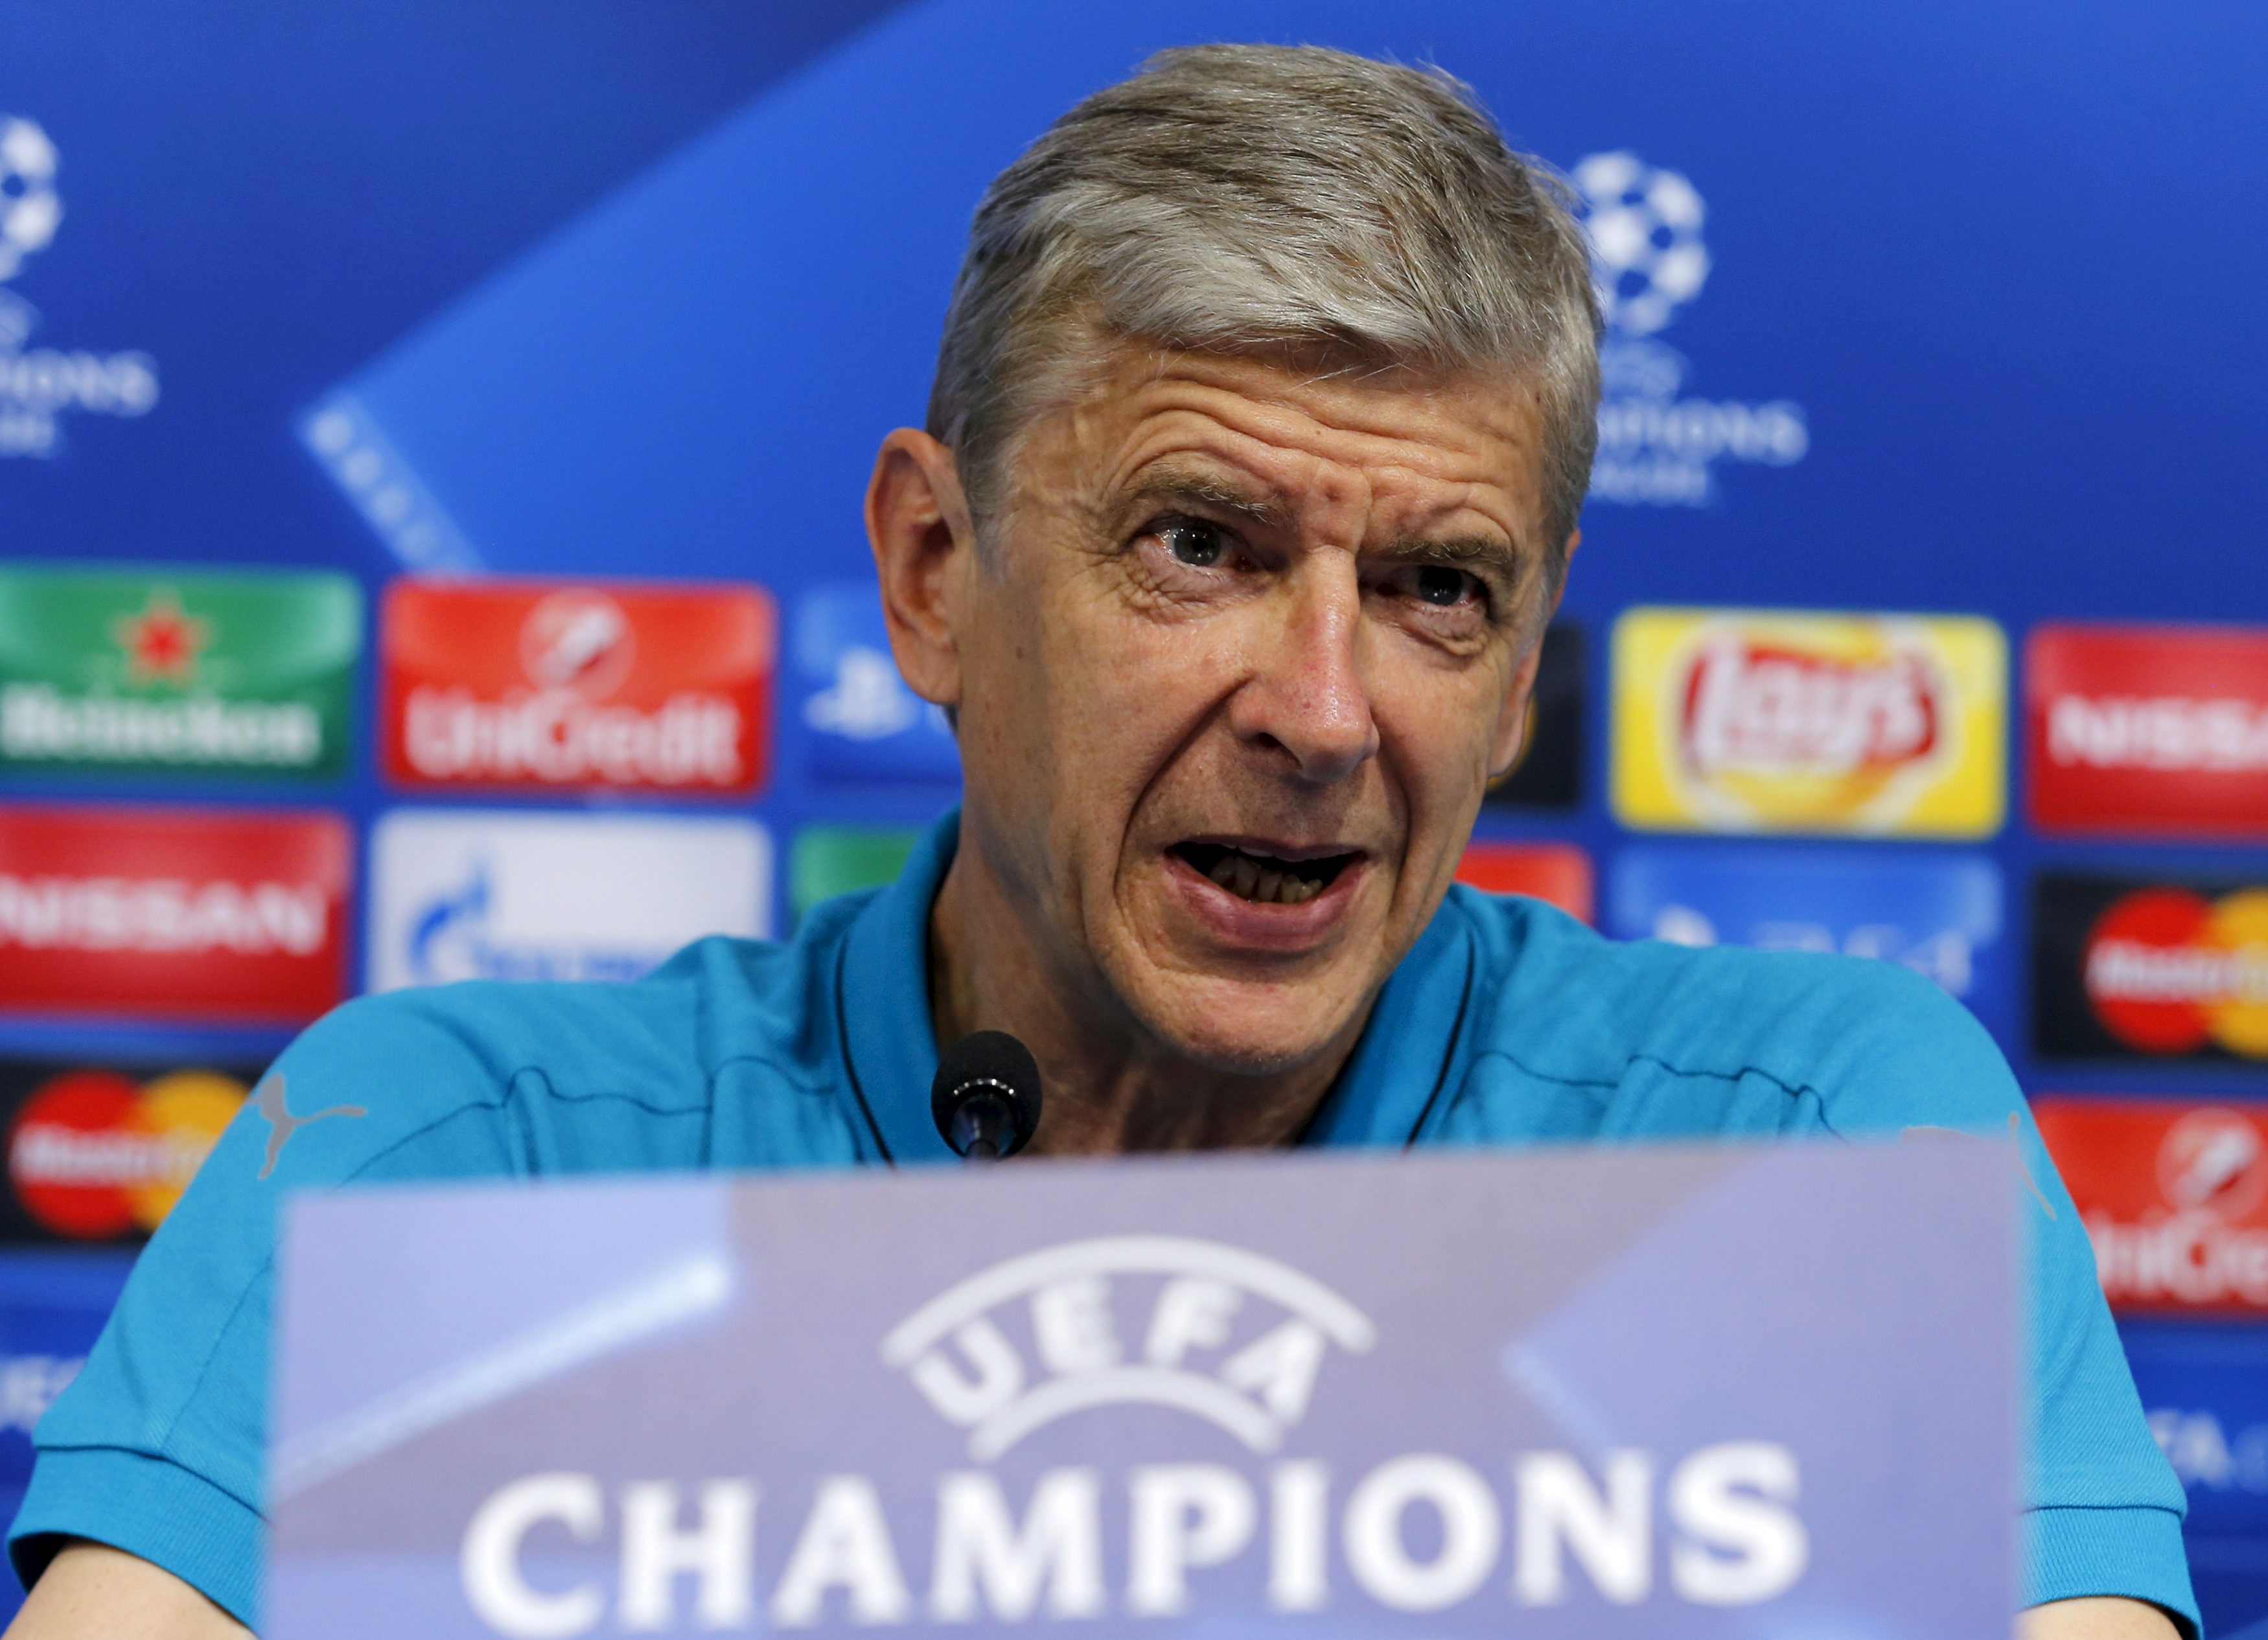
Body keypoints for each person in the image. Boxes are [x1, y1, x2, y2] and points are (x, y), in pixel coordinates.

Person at [5, 44, 2193, 1639]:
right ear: (934, 574)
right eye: (1199, 544)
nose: (1325, 712)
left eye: (1440, 587)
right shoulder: (445, 1162)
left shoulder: (1820, 1157)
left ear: (1526, 673)